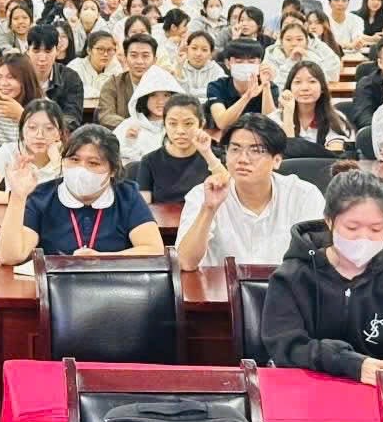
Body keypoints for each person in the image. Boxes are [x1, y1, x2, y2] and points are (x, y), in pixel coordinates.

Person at [262, 166, 383, 384]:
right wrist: (349, 363)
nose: (364, 238)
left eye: (376, 229)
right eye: (352, 228)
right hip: (309, 389)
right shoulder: (292, 277)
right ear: (329, 221)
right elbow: (286, 345)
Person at [0, 124, 165, 263]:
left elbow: (154, 250)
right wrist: (18, 196)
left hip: (114, 287)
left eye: (93, 163)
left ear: (113, 170)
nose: (81, 170)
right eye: (74, 160)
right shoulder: (41, 196)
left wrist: (102, 259)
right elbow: (10, 256)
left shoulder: (127, 195)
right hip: (57, 289)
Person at [176, 114, 324, 270]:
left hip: (287, 285)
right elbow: (185, 263)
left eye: (256, 151)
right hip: (222, 285)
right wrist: (209, 209)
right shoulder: (203, 195)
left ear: (276, 160)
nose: (242, 159)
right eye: (235, 149)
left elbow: (320, 261)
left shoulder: (303, 195)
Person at [0, 99, 66, 205]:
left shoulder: (70, 156)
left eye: (49, 128)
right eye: (32, 128)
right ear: (22, 131)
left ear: (59, 133)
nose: (39, 135)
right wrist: (19, 197)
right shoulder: (10, 151)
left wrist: (57, 163)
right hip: (17, 213)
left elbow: (75, 198)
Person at [138, 95, 225, 204]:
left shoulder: (214, 156)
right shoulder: (149, 161)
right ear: (164, 124)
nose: (180, 131)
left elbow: (230, 191)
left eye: (188, 123)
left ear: (201, 124)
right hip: (163, 215)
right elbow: (143, 207)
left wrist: (207, 153)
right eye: (173, 124)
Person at [112, 65, 185, 163]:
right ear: (144, 97)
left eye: (166, 95)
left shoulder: (182, 126)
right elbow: (114, 159)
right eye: (153, 95)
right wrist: (129, 143)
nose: (160, 101)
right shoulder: (129, 125)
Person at [206, 39, 279, 133]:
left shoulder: (269, 87)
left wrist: (266, 87)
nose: (245, 66)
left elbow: (271, 125)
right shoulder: (217, 86)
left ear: (260, 63)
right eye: (239, 62)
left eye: (251, 62)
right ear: (228, 63)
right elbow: (222, 123)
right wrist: (247, 97)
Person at [280, 61, 352, 153]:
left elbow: (335, 154)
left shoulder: (336, 119)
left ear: (322, 88)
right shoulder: (275, 119)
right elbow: (285, 152)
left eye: (312, 81)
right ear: (289, 88)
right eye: (298, 82)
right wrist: (288, 113)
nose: (305, 88)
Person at [25, 24, 85, 132]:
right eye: (36, 51)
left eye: (48, 52)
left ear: (57, 51)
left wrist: (48, 128)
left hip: (57, 137)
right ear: (27, 51)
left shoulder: (71, 78)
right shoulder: (19, 75)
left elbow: (72, 119)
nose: (42, 58)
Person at [97, 33, 160, 130]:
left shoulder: (163, 85)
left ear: (154, 60)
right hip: (122, 135)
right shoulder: (113, 83)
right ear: (125, 59)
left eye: (145, 56)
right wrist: (132, 126)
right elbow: (106, 116)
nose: (139, 61)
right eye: (134, 56)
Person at [265, 19, 341, 87]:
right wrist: (290, 61)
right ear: (281, 42)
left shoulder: (313, 57)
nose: (294, 43)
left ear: (307, 42)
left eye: (299, 39)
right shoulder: (272, 56)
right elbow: (276, 86)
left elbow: (324, 82)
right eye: (288, 39)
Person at [67, 29, 123, 100]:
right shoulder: (75, 66)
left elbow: (120, 92)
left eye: (110, 50)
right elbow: (74, 91)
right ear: (89, 50)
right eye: (100, 49)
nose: (105, 54)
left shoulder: (115, 66)